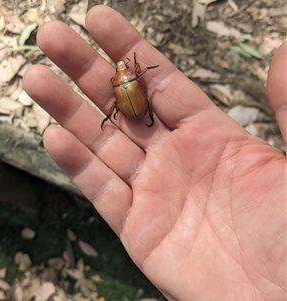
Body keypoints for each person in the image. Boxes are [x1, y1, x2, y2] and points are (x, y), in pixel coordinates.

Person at [23, 5, 286, 301]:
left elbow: (130, 89)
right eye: (124, 70)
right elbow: (139, 85)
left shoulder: (119, 85)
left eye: (125, 69)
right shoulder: (134, 80)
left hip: (130, 105)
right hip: (136, 105)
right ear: (126, 76)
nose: (123, 70)